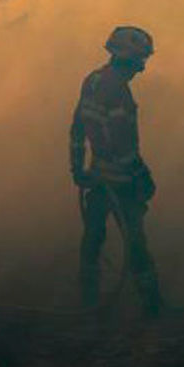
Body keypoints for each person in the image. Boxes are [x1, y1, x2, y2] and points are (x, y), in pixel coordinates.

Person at [69, 25, 163, 316]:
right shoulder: (118, 92)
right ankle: (153, 308)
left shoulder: (92, 80)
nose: (142, 68)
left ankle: (89, 301)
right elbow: (123, 146)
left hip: (96, 177)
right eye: (139, 61)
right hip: (121, 184)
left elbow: (77, 127)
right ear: (126, 59)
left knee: (93, 238)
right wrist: (142, 177)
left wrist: (77, 168)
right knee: (136, 242)